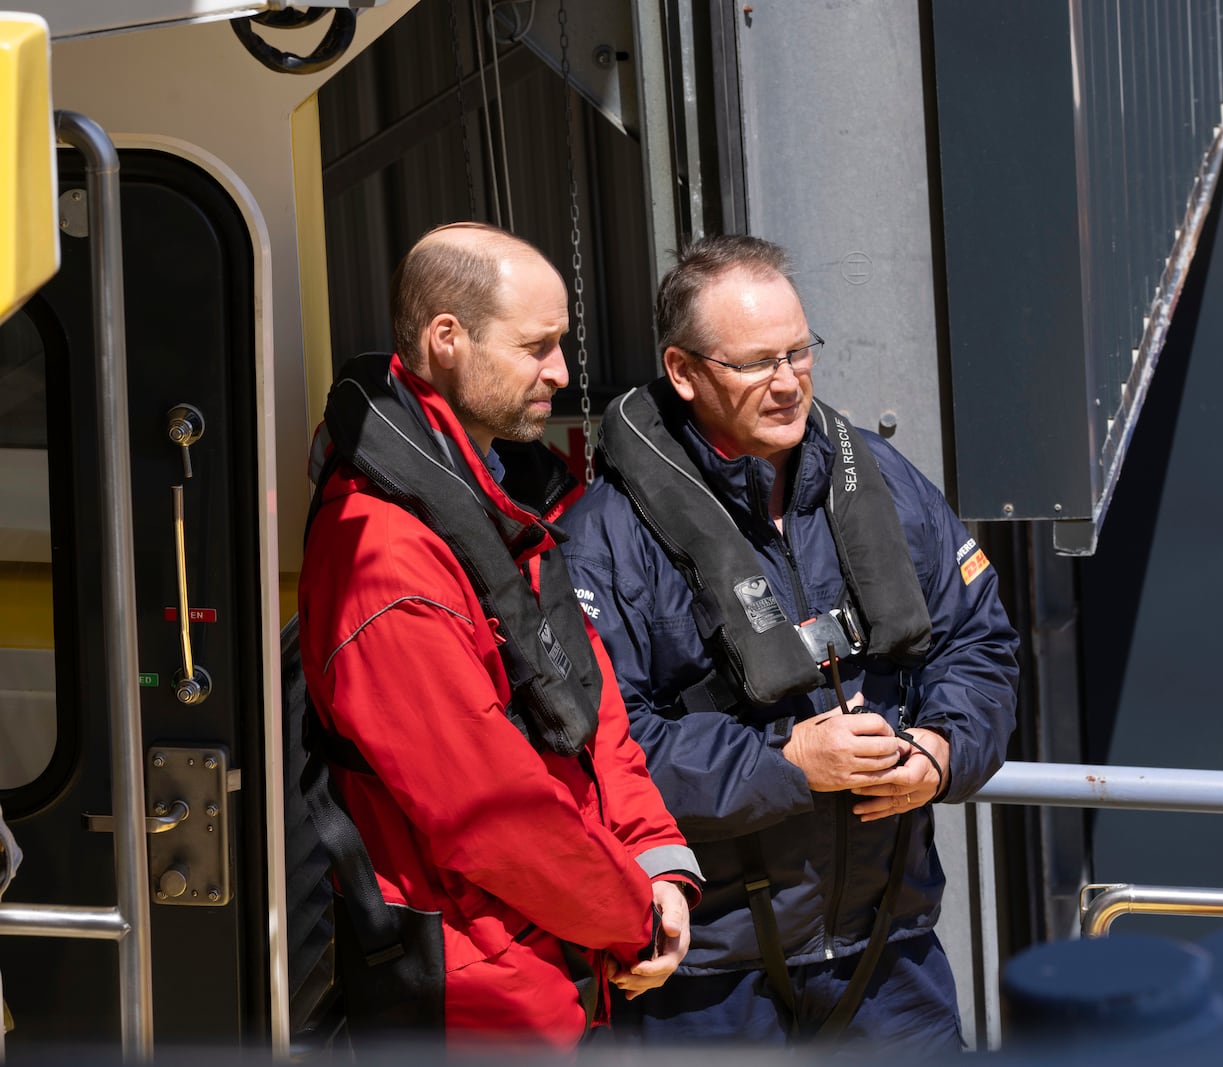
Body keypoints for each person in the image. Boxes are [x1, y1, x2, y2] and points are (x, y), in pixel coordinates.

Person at [561, 234, 1019, 1048]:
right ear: (683, 371)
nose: (787, 381)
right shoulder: (606, 536)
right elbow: (602, 749)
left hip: (893, 963)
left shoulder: (883, 481)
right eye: (755, 362)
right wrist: (785, 766)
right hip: (706, 983)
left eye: (799, 351)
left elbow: (979, 645)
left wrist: (943, 750)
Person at [297, 222, 700, 1045]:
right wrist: (630, 915)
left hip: (553, 970)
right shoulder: (382, 555)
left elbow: (594, 716)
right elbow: (488, 812)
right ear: (448, 338)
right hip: (469, 1003)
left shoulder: (498, 506)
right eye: (537, 346)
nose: (560, 371)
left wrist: (659, 860)